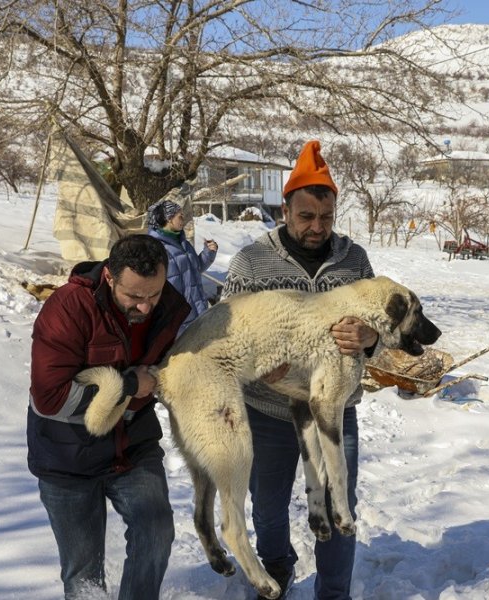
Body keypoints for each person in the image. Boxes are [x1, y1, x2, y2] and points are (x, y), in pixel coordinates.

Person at [221, 140, 379, 600]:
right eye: (306, 216)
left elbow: (378, 323)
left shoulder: (355, 260)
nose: (317, 227)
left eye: (326, 218)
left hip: (334, 409)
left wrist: (369, 339)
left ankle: (333, 592)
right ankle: (278, 569)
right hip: (268, 410)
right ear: (285, 210)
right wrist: (256, 366)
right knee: (268, 508)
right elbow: (225, 329)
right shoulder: (252, 261)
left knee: (338, 503)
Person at [27, 234, 190, 600]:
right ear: (110, 278)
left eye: (154, 294)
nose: (146, 307)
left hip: (132, 445)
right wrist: (130, 384)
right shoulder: (68, 307)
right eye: (134, 296)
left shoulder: (169, 306)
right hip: (66, 454)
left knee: (155, 530)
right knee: (83, 572)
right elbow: (50, 397)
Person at [146, 199, 218, 335]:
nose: (183, 219)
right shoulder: (155, 248)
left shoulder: (183, 243)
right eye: (180, 216)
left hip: (197, 312)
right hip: (176, 321)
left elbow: (194, 269)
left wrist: (209, 253)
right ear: (168, 218)